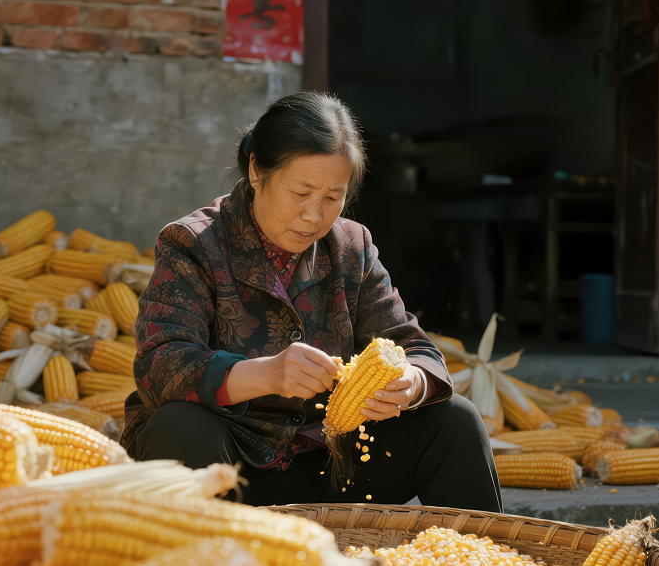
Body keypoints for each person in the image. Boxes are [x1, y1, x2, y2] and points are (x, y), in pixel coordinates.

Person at [120, 92, 502, 511]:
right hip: (229, 471)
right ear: (256, 171)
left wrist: (411, 383)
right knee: (180, 426)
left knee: (456, 421)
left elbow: (416, 348)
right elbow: (160, 366)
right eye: (300, 193)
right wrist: (266, 373)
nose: (314, 215)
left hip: (335, 466)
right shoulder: (194, 244)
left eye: (332, 197)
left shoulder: (351, 246)